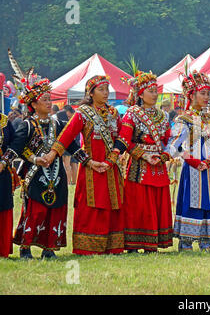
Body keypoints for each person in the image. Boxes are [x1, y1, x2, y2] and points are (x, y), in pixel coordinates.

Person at [1, 73, 86, 259]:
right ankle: (26, 247)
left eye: (50, 99)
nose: (49, 103)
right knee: (35, 210)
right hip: (34, 173)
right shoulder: (27, 125)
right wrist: (24, 160)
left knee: (56, 209)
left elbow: (72, 145)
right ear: (33, 105)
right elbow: (17, 147)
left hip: (57, 173)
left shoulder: (59, 124)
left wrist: (89, 162)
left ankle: (49, 248)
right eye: (45, 100)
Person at [45, 75, 125, 255]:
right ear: (91, 92)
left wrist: (114, 157)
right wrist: (52, 154)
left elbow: (122, 137)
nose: (105, 93)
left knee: (114, 203)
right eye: (101, 90)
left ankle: (113, 246)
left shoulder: (113, 113)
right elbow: (66, 137)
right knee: (92, 203)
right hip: (92, 168)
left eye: (107, 89)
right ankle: (88, 246)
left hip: (110, 167)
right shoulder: (83, 113)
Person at [112, 70, 173, 253]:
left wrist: (164, 155)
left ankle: (153, 243)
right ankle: (134, 243)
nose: (155, 95)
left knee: (156, 202)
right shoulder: (132, 114)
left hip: (159, 165)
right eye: (151, 91)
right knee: (137, 204)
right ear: (140, 93)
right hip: (139, 165)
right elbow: (125, 140)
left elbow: (169, 140)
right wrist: (144, 155)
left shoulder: (163, 115)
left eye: (156, 91)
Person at [166, 71, 210, 251]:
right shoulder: (183, 119)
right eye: (202, 93)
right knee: (193, 202)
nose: (207, 97)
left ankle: (207, 242)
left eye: (208, 94)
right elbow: (174, 146)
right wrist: (193, 161)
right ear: (191, 95)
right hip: (193, 169)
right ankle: (186, 242)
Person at [0, 112, 16, 258]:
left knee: (3, 205)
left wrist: (4, 162)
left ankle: (2, 249)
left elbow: (15, 144)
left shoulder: (5, 122)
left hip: (2, 172)